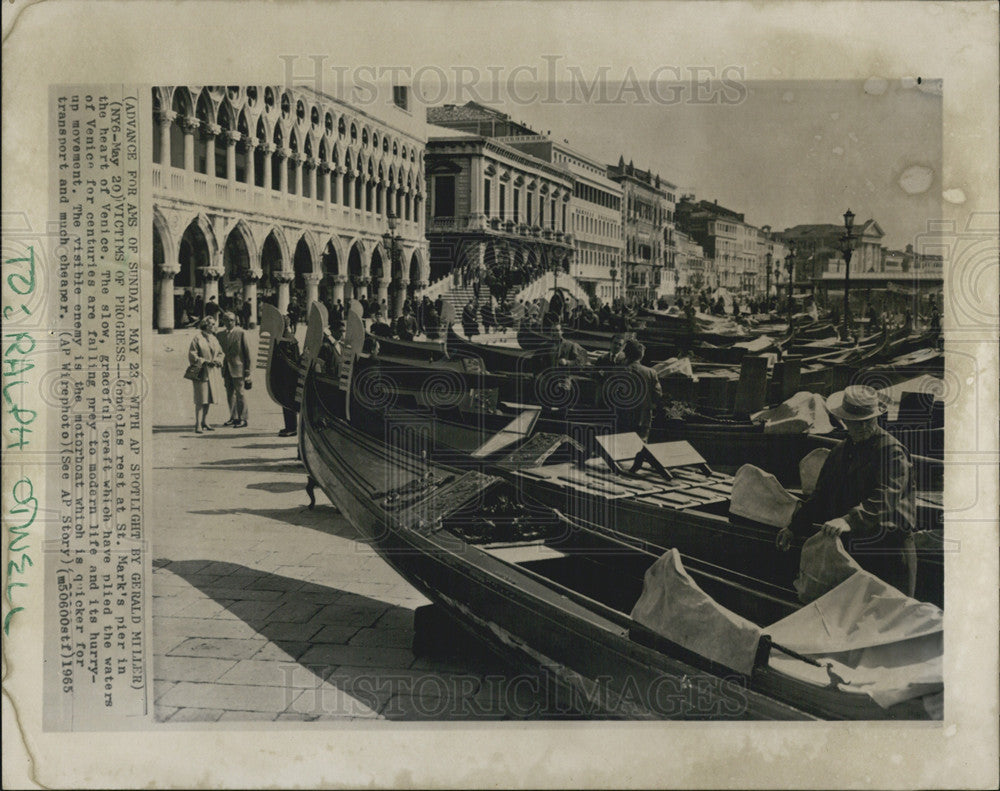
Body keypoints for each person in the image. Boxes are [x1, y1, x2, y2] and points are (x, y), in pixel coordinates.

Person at [775, 385, 916, 595]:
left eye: (868, 421)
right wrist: (794, 528)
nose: (863, 427)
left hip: (888, 552)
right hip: (854, 552)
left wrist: (847, 520)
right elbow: (820, 496)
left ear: (876, 418)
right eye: (857, 423)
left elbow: (886, 496)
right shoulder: (839, 452)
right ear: (845, 421)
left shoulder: (892, 452)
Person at [617, 340, 661, 441]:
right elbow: (658, 394)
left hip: (623, 416)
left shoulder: (619, 371)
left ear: (626, 354)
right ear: (641, 355)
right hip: (643, 416)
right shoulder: (651, 372)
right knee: (641, 444)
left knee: (623, 445)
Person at [187, 316, 225, 434]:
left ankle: (205, 421)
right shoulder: (197, 338)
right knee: (200, 399)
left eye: (214, 324)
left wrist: (219, 360)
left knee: (209, 398)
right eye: (212, 324)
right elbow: (192, 355)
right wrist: (204, 361)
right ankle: (198, 424)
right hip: (201, 371)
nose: (214, 326)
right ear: (205, 325)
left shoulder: (214, 338)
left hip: (212, 372)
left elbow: (220, 353)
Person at [217, 311, 252, 428]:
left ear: (235, 321)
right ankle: (234, 417)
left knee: (240, 393)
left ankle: (243, 418)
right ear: (223, 321)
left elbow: (247, 353)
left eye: (231, 320)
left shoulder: (241, 333)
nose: (229, 322)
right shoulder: (220, 335)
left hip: (239, 368)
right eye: (226, 320)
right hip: (226, 368)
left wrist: (247, 371)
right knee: (229, 394)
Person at [276, 316, 300, 437]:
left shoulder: (286, 340)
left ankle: (291, 427)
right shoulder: (291, 338)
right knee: (287, 402)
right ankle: (290, 426)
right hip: (289, 375)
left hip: (287, 376)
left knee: (288, 402)